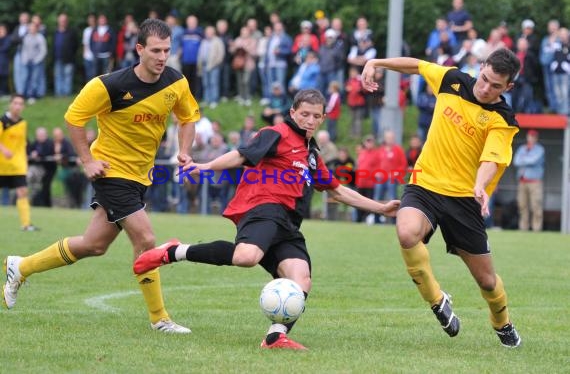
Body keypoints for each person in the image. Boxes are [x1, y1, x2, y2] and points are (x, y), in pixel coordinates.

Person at [133, 89, 400, 350]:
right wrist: (205, 166)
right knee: (246, 257)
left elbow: (338, 190)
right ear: (293, 112)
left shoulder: (312, 156)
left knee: (301, 278)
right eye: (304, 113)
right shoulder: (276, 134)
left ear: (322, 118)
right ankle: (173, 251)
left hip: (288, 224)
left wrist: (381, 208)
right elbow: (240, 155)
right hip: (263, 207)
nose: (309, 120)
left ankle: (275, 337)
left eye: (315, 116)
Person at [2, 19, 200, 334]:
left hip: (139, 177)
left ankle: (21, 266)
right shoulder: (110, 85)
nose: (162, 57)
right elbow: (73, 117)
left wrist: (184, 150)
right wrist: (87, 160)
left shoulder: (176, 83)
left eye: (167, 50)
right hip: (112, 173)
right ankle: (159, 318)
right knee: (146, 238)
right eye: (155, 50)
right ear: (139, 49)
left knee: (94, 245)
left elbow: (188, 117)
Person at [361, 47, 522, 348]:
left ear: (508, 87)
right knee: (407, 232)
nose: (486, 88)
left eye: (496, 86)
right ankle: (437, 300)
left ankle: (502, 322)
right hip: (425, 184)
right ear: (482, 66)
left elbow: (491, 159)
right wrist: (377, 62)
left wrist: (479, 185)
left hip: (464, 198)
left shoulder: (503, 118)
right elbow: (417, 66)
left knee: (487, 282)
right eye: (485, 78)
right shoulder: (452, 80)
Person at [0, 94, 38, 231]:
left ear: (23, 107)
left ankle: (26, 224)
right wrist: (4, 150)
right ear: (10, 104)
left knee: (22, 192)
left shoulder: (23, 123)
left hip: (17, 166)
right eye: (15, 103)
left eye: (20, 104)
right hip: (2, 166)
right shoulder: (2, 121)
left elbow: (22, 144)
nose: (17, 106)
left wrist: (25, 161)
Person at [513, 129, 545, 232]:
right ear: (527, 137)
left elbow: (533, 160)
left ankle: (536, 229)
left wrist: (524, 158)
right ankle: (523, 229)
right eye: (530, 136)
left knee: (536, 206)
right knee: (522, 206)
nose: (531, 138)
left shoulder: (540, 149)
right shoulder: (522, 148)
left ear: (536, 138)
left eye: (533, 137)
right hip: (522, 181)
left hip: (535, 182)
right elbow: (516, 161)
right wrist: (527, 158)